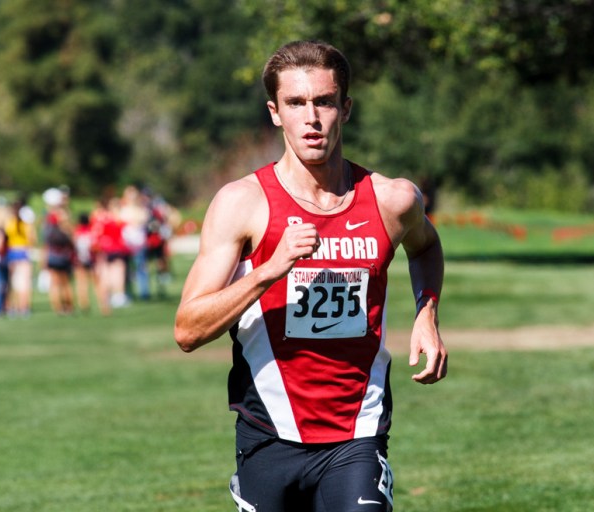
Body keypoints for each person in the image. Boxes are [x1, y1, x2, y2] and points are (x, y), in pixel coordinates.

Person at [174, 40, 447, 512]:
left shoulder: (393, 199)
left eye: (323, 101)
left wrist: (427, 314)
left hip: (357, 433)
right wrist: (269, 270)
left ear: (346, 107)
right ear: (275, 113)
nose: (312, 118)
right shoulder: (242, 204)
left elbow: (425, 246)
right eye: (296, 103)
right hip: (268, 434)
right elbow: (187, 330)